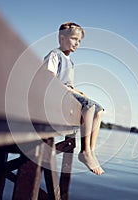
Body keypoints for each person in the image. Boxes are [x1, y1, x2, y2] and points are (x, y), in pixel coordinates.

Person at [43, 22, 105, 176]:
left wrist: (78, 92)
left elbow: (68, 85)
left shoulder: (70, 62)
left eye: (79, 41)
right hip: (54, 97)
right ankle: (84, 151)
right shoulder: (54, 55)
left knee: (99, 111)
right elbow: (49, 79)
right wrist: (70, 91)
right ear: (62, 38)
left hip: (66, 95)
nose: (77, 43)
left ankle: (91, 151)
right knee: (89, 106)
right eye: (74, 38)